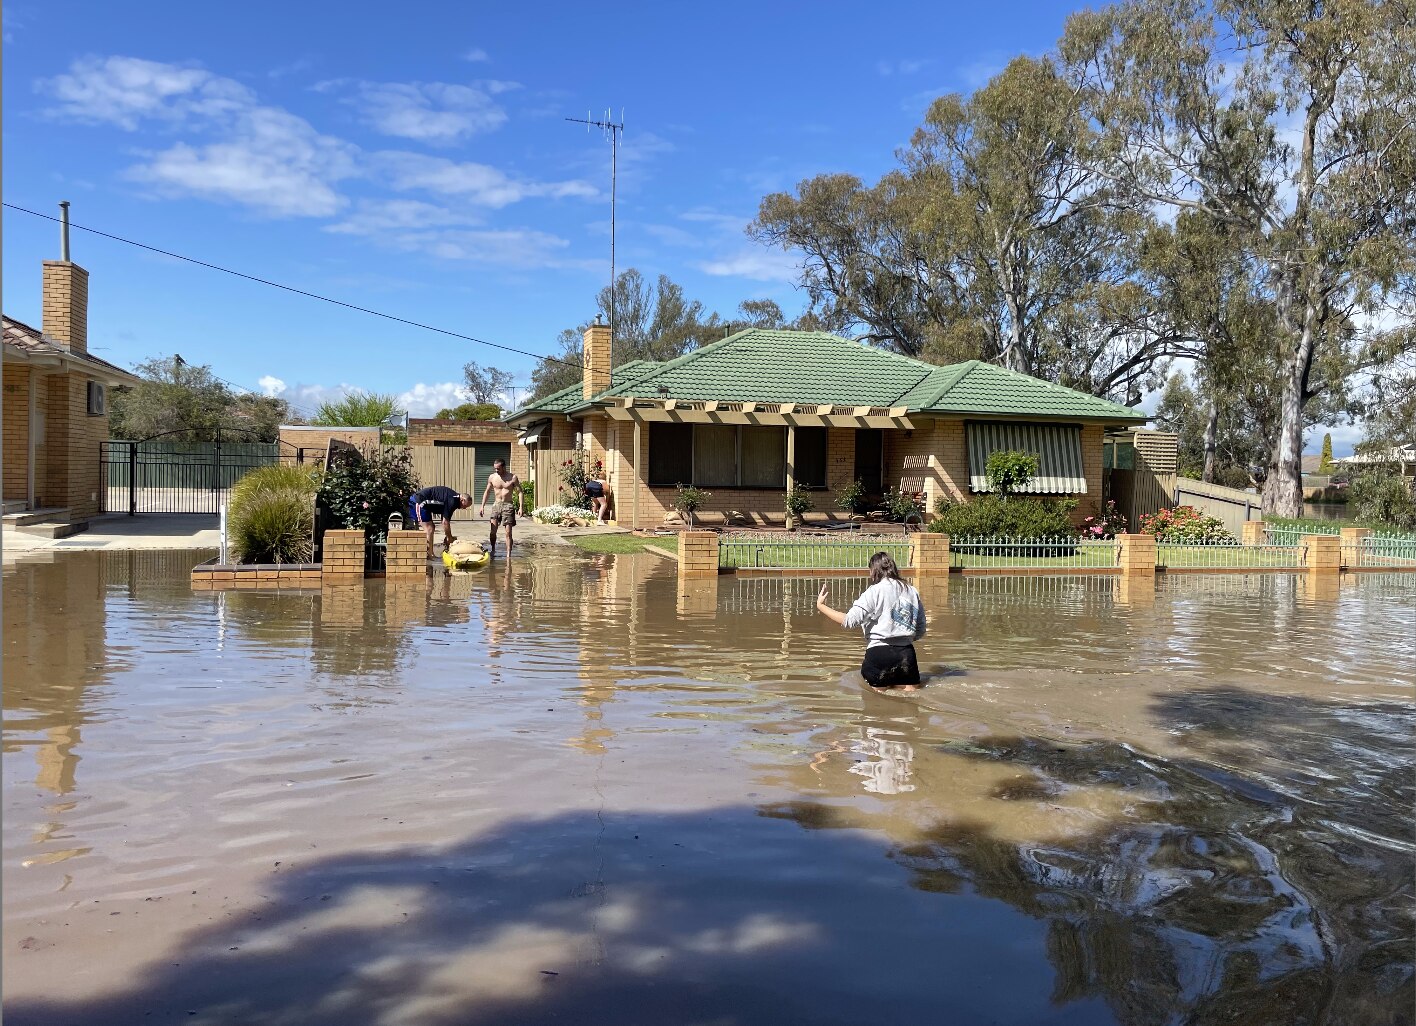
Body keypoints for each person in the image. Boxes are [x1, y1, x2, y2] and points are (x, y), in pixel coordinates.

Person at [815, 552, 927, 690]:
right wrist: (904, 638)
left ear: (874, 570)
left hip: (879, 653)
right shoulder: (911, 591)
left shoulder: (874, 591)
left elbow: (849, 621)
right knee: (911, 703)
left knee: (876, 705)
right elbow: (921, 628)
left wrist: (821, 606)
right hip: (906, 654)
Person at [408, 485, 472, 556]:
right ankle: (429, 555)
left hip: (424, 504)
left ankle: (430, 553)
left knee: (431, 528)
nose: (464, 508)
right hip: (418, 501)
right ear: (462, 499)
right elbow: (445, 522)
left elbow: (444, 520)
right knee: (429, 529)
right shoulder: (453, 501)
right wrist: (449, 538)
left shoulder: (454, 499)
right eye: (465, 506)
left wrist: (448, 537)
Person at [478, 458, 521, 555]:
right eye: (495, 468)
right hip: (496, 505)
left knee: (508, 532)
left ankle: (508, 554)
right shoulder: (492, 477)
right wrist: (482, 506)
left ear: (504, 467)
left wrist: (521, 507)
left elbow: (520, 492)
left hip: (508, 505)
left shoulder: (512, 477)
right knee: (493, 531)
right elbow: (487, 491)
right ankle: (493, 549)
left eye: (498, 468)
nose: (496, 470)